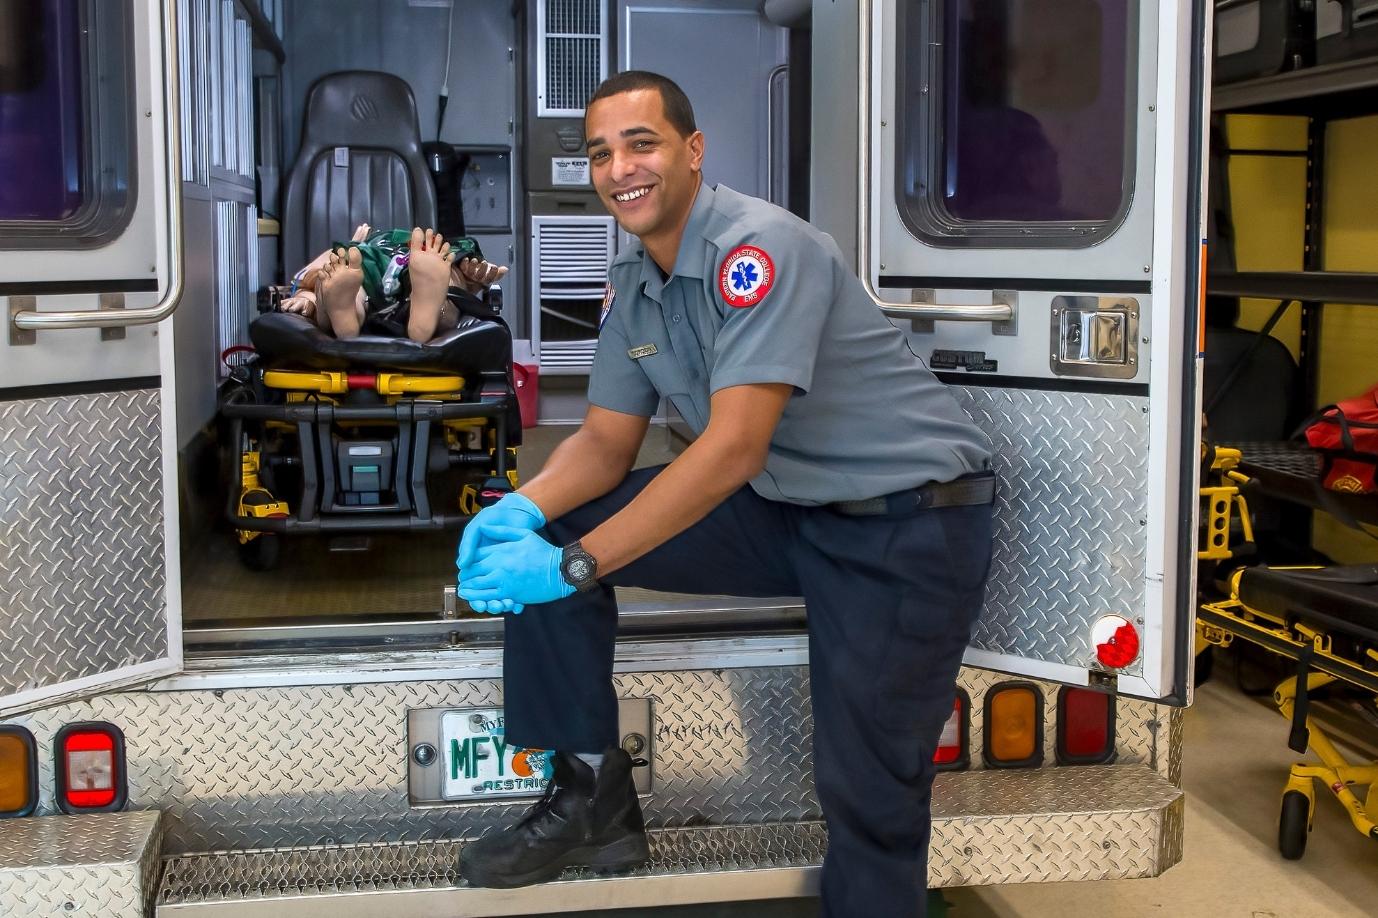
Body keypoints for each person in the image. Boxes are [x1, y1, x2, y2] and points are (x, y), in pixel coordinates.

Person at [455, 71, 995, 917]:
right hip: (793, 510)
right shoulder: (635, 281)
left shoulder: (762, 251)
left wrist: (578, 567)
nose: (619, 168)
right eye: (601, 153)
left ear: (693, 150)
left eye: (642, 143)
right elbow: (603, 441)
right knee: (558, 520)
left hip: (905, 527)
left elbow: (733, 448)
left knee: (867, 794)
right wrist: (519, 510)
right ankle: (592, 796)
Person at [279, 224, 508, 343]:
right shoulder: (429, 252)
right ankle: (428, 315)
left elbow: (304, 277)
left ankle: (346, 314)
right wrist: (472, 280)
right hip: (414, 280)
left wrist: (304, 298)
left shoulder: (359, 251)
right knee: (448, 287)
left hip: (367, 274)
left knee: (330, 276)